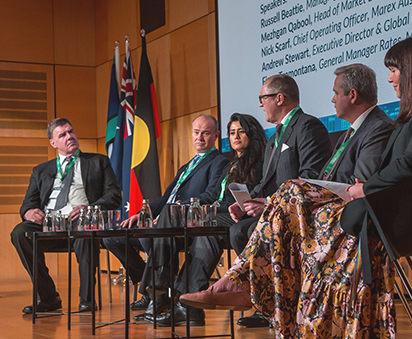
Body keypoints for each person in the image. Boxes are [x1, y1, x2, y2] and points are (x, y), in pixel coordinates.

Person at [180, 34, 412, 339]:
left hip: (396, 216)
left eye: (394, 69)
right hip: (378, 207)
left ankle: (252, 287)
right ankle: (251, 287)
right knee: (289, 199)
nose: (390, 77)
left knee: (291, 195)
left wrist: (364, 188)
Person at [227, 74, 333, 327]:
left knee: (253, 230)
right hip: (276, 210)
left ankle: (282, 303)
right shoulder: (274, 138)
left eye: (263, 99)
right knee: (238, 230)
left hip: (301, 212)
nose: (261, 104)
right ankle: (265, 302)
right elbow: (266, 182)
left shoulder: (308, 126)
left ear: (279, 98)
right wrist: (246, 200)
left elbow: (310, 178)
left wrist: (271, 203)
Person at [147, 113, 266, 327]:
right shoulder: (231, 165)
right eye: (232, 133)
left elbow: (251, 196)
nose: (236, 136)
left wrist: (207, 210)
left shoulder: (260, 162)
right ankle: (182, 303)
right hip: (218, 213)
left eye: (241, 131)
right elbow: (212, 196)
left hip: (237, 215)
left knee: (203, 227)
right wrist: (196, 207)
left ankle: (175, 296)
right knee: (185, 220)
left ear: (252, 134)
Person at [103, 114, 228, 314]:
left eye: (205, 133)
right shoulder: (188, 165)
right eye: (196, 132)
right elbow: (165, 198)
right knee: (114, 238)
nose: (200, 137)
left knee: (151, 238)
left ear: (216, 135)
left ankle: (156, 295)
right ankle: (151, 289)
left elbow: (210, 196)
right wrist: (143, 213)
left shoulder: (219, 162)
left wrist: (177, 210)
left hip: (184, 221)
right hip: (162, 218)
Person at [11, 118, 121, 313]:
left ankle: (87, 299)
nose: (69, 136)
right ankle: (48, 297)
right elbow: (29, 202)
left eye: (71, 132)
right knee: (20, 233)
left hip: (82, 220)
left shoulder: (98, 161)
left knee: (84, 226)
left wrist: (90, 208)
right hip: (50, 223)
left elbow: (113, 196)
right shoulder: (41, 170)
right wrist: (28, 212)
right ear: (53, 143)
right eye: (62, 135)